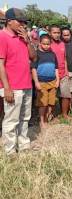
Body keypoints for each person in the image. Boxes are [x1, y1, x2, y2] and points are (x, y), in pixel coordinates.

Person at [0, 8, 36, 155]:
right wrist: (7, 88)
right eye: (20, 21)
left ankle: (23, 145)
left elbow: (33, 57)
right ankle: (10, 151)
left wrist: (27, 41)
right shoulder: (2, 37)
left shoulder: (23, 37)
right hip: (13, 87)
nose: (23, 25)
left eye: (24, 22)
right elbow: (0, 64)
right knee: (11, 120)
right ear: (9, 21)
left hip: (27, 84)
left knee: (25, 118)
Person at [31, 34, 60, 128]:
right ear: (40, 43)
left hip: (52, 81)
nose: (46, 46)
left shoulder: (52, 54)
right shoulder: (36, 54)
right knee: (42, 103)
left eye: (48, 44)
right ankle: (42, 120)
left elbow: (56, 68)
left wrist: (57, 80)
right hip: (41, 82)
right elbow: (34, 69)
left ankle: (48, 115)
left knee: (51, 101)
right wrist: (36, 82)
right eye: (44, 44)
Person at [49, 24, 68, 120]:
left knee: (65, 95)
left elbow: (65, 59)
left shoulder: (62, 44)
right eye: (54, 32)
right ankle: (49, 114)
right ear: (50, 33)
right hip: (52, 75)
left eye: (58, 33)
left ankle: (64, 114)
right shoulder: (47, 44)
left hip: (63, 74)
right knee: (51, 97)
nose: (57, 35)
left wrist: (67, 71)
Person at [61, 27, 72, 117]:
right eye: (64, 35)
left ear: (71, 34)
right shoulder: (60, 44)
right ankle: (63, 111)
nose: (66, 37)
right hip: (63, 71)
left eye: (67, 35)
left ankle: (70, 108)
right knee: (64, 93)